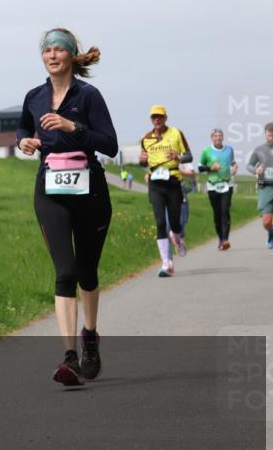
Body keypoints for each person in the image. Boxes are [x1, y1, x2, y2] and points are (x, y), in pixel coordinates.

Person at [17, 28, 117, 387]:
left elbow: (110, 144)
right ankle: (70, 358)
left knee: (87, 272)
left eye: (59, 49)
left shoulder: (88, 95)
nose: (52, 55)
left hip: (90, 192)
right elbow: (23, 129)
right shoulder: (34, 96)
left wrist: (72, 126)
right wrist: (24, 142)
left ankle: (89, 336)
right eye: (47, 50)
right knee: (65, 272)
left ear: (71, 56)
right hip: (50, 191)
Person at [139, 106, 192, 277]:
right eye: (154, 117)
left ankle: (177, 236)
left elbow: (189, 156)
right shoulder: (146, 139)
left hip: (173, 181)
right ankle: (166, 263)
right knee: (160, 221)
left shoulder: (176, 133)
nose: (157, 120)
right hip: (155, 183)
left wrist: (178, 157)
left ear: (165, 118)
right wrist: (142, 160)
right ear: (151, 119)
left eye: (160, 117)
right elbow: (144, 162)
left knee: (175, 222)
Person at [247, 122, 273, 258]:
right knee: (266, 221)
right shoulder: (259, 150)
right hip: (265, 187)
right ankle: (271, 232)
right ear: (265, 134)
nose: (271, 138)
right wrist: (256, 170)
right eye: (269, 135)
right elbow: (249, 165)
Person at [198, 129, 237, 250]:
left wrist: (234, 167)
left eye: (220, 136)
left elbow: (233, 163)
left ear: (222, 137)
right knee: (217, 214)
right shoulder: (206, 151)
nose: (218, 138)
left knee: (225, 211)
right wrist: (211, 168)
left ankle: (225, 240)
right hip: (213, 186)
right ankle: (220, 238)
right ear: (212, 138)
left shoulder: (229, 149)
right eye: (215, 136)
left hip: (227, 184)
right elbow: (200, 168)